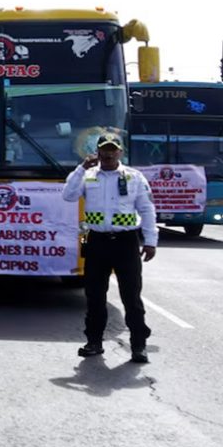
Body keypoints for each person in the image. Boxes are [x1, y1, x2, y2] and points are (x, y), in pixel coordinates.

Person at [62, 133, 157, 364]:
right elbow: (68, 195)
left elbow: (147, 209)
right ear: (98, 152)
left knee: (131, 296)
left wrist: (150, 240)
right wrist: (81, 168)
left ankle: (138, 345)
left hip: (126, 243)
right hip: (96, 241)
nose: (108, 153)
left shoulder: (134, 177)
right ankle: (94, 342)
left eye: (113, 149)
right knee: (94, 296)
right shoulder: (88, 176)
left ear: (120, 152)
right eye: (104, 149)